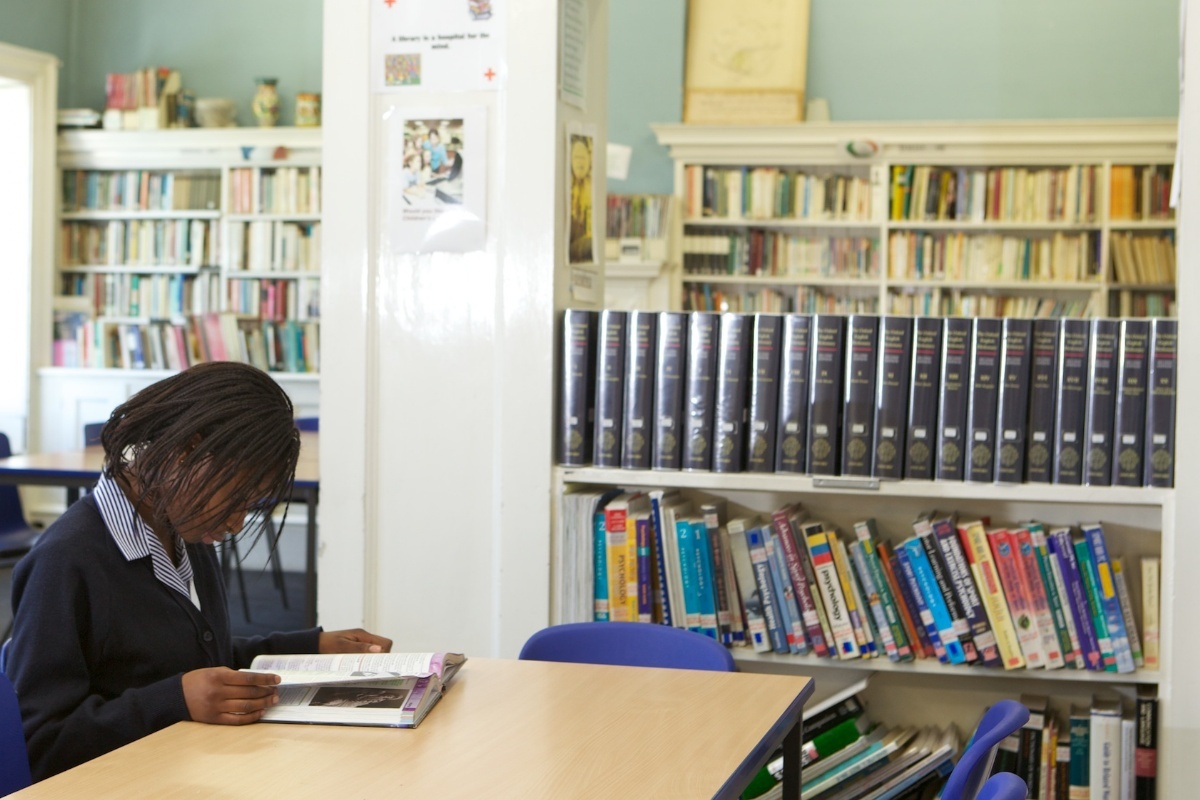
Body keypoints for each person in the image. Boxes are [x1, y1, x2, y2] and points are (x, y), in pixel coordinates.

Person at [6, 361, 393, 781]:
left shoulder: (181, 531)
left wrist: (310, 647)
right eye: (237, 498)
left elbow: (191, 659)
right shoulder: (65, 562)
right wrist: (174, 701)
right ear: (186, 451)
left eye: (251, 506)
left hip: (185, 771)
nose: (237, 523)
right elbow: (39, 745)